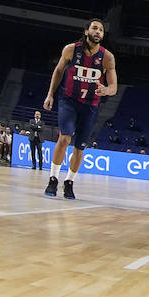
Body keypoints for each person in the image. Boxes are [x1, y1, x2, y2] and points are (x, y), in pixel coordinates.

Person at [42, 19, 118, 199]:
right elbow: (58, 71)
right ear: (86, 31)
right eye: (94, 28)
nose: (98, 31)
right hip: (69, 100)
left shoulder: (107, 57)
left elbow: (114, 87)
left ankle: (69, 181)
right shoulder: (71, 49)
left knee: (80, 148)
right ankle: (53, 178)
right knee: (65, 137)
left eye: (101, 30)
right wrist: (50, 94)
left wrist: (106, 89)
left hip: (90, 105)